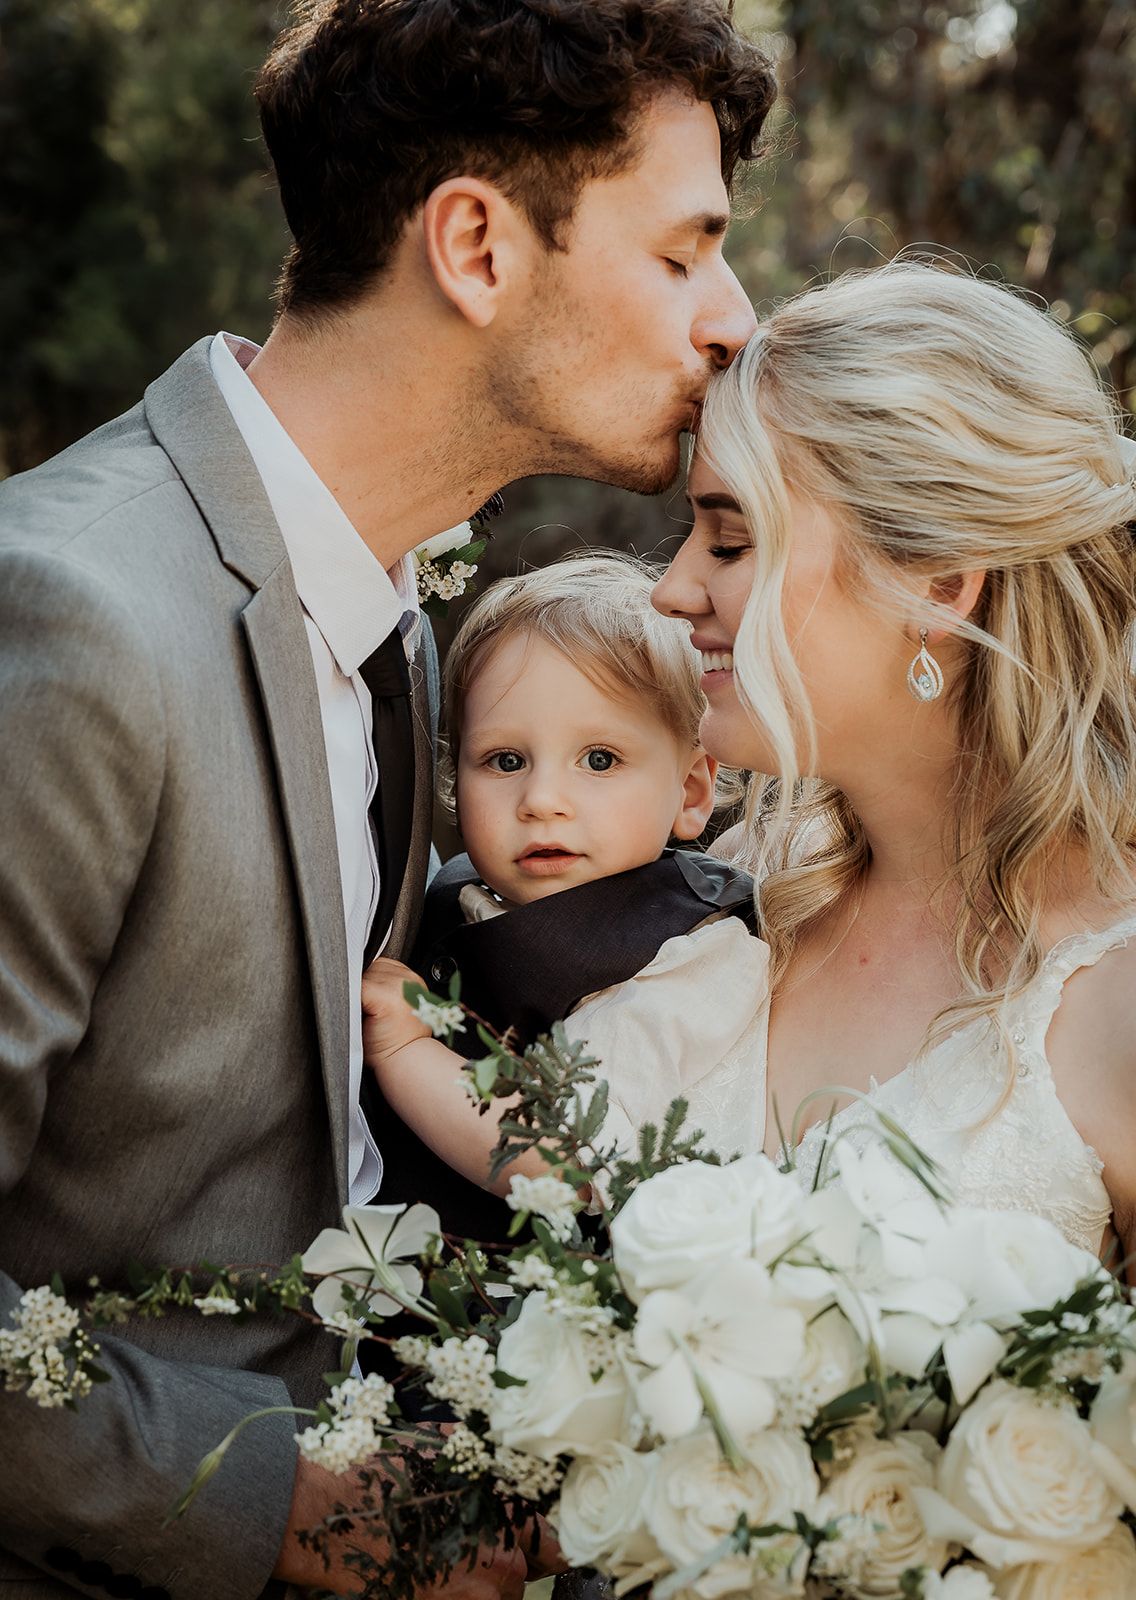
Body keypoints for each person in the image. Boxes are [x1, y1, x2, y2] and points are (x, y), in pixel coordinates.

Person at [0, 2, 774, 1595]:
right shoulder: (71, 617)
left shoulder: (397, 630)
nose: (733, 319)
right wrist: (282, 1504)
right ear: (477, 248)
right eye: (684, 251)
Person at [653, 260, 1136, 1263]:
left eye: (731, 542)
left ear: (938, 587)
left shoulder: (1115, 998)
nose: (671, 589)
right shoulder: (733, 894)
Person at [361, 555, 765, 1244]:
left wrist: (404, 1047)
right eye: (506, 761)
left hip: (529, 1290)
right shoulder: (453, 891)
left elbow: (569, 1156)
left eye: (599, 760)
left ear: (692, 792)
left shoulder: (692, 956)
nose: (542, 800)